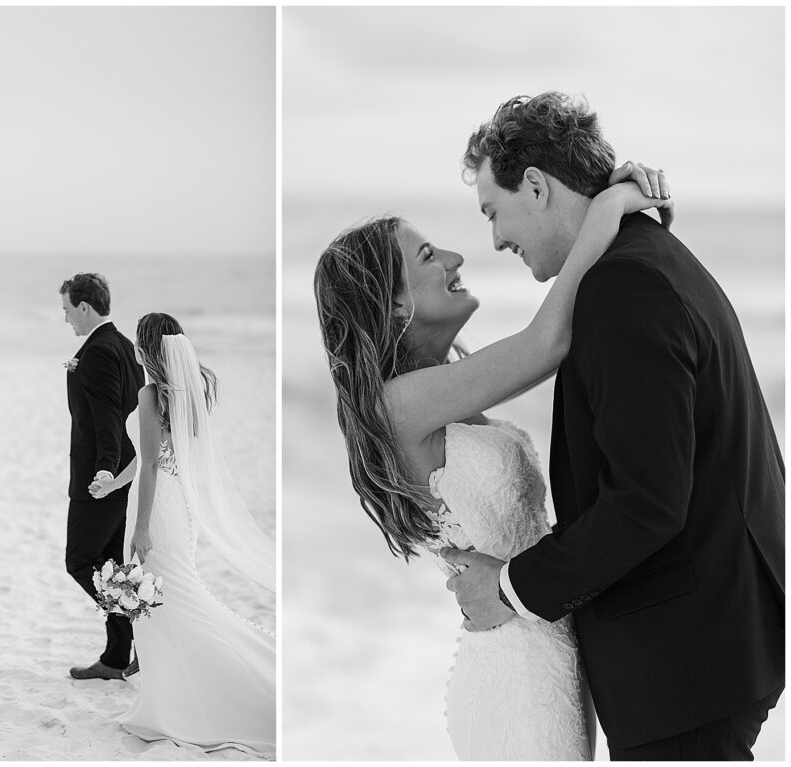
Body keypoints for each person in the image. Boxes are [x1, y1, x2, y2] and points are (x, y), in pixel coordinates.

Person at [441, 92, 784, 760]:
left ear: (535, 186)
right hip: (708, 644)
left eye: (493, 211)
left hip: (685, 659)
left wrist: (509, 587)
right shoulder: (642, 259)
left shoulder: (625, 286)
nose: (494, 239)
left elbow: (647, 501)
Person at [314, 132, 674, 756]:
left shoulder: (444, 385)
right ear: (394, 303)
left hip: (544, 648)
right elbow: (548, 341)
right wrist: (606, 208)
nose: (456, 256)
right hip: (514, 672)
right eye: (428, 255)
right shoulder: (398, 403)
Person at [96, 313, 276, 756]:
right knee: (170, 600)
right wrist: (113, 485)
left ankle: (217, 696)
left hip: (157, 508)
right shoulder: (190, 389)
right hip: (178, 503)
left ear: (146, 348)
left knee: (168, 602)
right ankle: (170, 700)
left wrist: (139, 528)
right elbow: (153, 458)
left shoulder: (149, 393)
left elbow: (153, 462)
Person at [59, 273, 143, 681]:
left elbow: (110, 415)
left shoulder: (97, 352)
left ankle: (134, 628)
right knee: (111, 563)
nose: (66, 319)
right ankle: (115, 658)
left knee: (80, 560)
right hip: (121, 467)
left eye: (67, 309)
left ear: (85, 306)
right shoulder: (125, 346)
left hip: (101, 475)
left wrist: (105, 470)